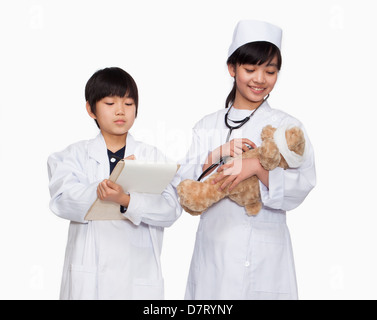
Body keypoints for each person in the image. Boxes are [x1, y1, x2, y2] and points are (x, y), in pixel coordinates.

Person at [176, 20, 316, 300]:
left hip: (266, 259)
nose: (260, 79)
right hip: (214, 256)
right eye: (250, 69)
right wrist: (215, 155)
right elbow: (183, 188)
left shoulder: (286, 126)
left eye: (270, 71)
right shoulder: (207, 125)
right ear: (232, 68)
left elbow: (303, 184)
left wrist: (257, 167)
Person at [47, 67, 181, 300]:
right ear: (91, 109)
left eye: (128, 104)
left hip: (136, 276)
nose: (120, 111)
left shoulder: (153, 158)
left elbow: (170, 211)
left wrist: (126, 201)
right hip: (90, 278)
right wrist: (101, 189)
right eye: (110, 103)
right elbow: (62, 201)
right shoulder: (71, 156)